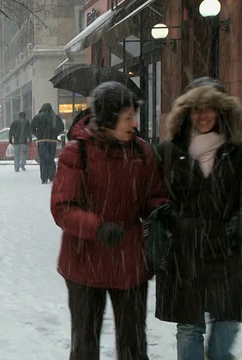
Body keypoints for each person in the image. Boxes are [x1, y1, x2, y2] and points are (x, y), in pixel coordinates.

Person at [51, 81, 167, 360]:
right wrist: (97, 227)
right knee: (84, 345)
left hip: (129, 260)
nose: (133, 123)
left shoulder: (142, 152)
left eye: (134, 116)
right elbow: (63, 207)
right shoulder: (76, 153)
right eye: (127, 117)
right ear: (109, 119)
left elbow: (154, 195)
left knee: (133, 345)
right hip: (84, 260)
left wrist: (161, 212)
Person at [153, 77, 242, 360]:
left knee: (227, 322)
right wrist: (166, 223)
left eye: (210, 109)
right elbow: (154, 197)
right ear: (185, 113)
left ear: (222, 112)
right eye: (196, 109)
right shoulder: (168, 152)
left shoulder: (237, 152)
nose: (203, 116)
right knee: (189, 328)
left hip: (228, 250)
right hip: (184, 251)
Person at [31, 103, 65, 183]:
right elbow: (61, 127)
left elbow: (32, 128)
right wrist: (55, 134)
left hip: (41, 141)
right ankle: (52, 176)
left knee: (43, 159)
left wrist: (38, 135)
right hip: (52, 141)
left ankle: (44, 178)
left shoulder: (38, 117)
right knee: (51, 158)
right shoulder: (55, 117)